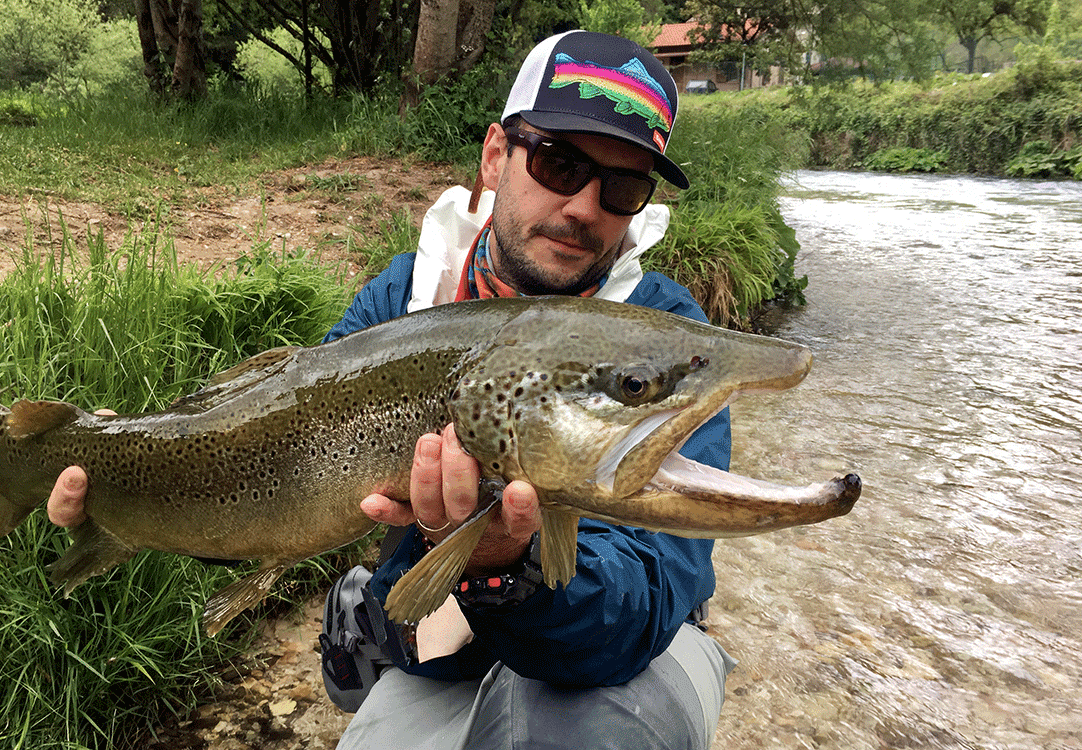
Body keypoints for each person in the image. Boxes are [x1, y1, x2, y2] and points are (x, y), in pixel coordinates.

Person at [48, 30, 736, 749]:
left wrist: (509, 560)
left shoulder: (665, 345)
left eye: (622, 186)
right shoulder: (403, 301)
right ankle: (363, 615)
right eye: (560, 163)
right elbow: (278, 473)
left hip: (617, 656)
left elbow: (644, 605)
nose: (586, 207)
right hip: (441, 643)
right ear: (496, 155)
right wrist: (136, 481)